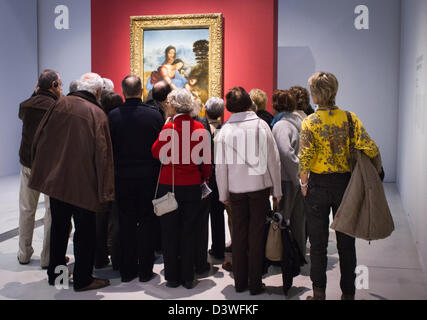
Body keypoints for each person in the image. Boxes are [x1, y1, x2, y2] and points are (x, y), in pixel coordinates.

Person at [29, 72, 114, 292]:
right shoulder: (97, 113)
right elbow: (103, 157)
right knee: (84, 233)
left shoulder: (59, 104)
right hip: (84, 185)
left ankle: (56, 277)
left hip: (57, 182)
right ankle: (83, 279)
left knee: (59, 228)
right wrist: (106, 192)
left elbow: (39, 138)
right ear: (97, 91)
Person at [298, 72, 380, 300]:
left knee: (317, 244)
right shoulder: (350, 118)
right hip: (345, 185)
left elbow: (304, 157)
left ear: (315, 94)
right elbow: (370, 147)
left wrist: (303, 183)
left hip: (317, 186)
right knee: (346, 244)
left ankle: (319, 293)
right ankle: (348, 294)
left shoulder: (310, 122)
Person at [215, 87, 282, 295]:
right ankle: (255, 284)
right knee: (256, 235)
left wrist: (222, 193)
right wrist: (277, 189)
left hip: (236, 189)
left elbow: (221, 166)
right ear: (248, 103)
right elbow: (274, 160)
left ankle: (240, 282)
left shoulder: (225, 129)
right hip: (259, 188)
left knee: (239, 235)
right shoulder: (261, 125)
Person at [152, 88, 211, 289]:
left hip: (169, 185)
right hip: (192, 186)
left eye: (168, 103)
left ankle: (172, 276)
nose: (166, 106)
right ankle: (187, 275)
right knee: (189, 231)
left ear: (174, 106)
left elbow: (156, 153)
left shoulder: (168, 128)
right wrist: (205, 179)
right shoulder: (200, 128)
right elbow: (206, 163)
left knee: (169, 232)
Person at [108, 75, 164, 283]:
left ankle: (127, 269)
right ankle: (145, 270)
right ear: (141, 91)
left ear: (123, 91)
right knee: (148, 222)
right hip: (149, 177)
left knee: (126, 224)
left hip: (122, 177)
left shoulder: (112, 116)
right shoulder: (155, 116)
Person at [17, 69, 62, 268]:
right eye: (59, 84)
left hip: (27, 162)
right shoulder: (57, 107)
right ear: (53, 85)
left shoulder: (26, 105)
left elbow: (22, 113)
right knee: (51, 213)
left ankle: (24, 253)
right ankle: (48, 258)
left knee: (26, 209)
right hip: (49, 166)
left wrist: (35, 93)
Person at [271, 90, 306, 258]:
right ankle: (297, 253)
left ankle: (284, 256)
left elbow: (285, 153)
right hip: (297, 177)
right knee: (298, 219)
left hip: (287, 179)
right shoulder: (298, 121)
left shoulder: (281, 125)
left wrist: (296, 177)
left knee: (282, 219)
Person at [95, 91, 124, 270]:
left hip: (98, 177)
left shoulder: (99, 121)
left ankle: (99, 257)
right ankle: (116, 258)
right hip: (115, 177)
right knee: (115, 219)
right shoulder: (116, 122)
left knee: (99, 219)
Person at [204, 97, 226, 260]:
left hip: (206, 175)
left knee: (203, 213)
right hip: (221, 175)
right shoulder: (225, 129)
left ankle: (201, 249)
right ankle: (218, 248)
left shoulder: (202, 129)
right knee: (218, 214)